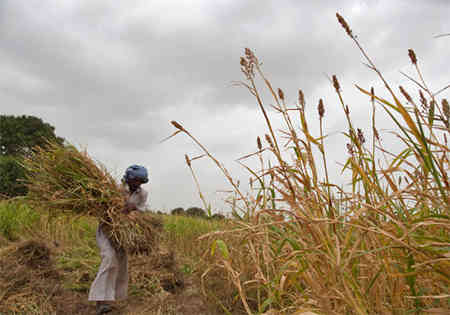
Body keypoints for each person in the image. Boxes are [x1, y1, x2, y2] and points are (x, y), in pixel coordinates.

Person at [88, 165, 149, 314]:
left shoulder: (143, 193)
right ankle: (99, 301)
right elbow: (103, 207)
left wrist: (133, 208)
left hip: (124, 233)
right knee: (109, 258)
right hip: (107, 228)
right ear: (128, 178)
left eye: (140, 181)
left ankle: (112, 299)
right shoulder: (115, 189)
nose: (137, 184)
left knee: (122, 263)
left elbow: (142, 209)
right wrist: (118, 207)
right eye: (135, 180)